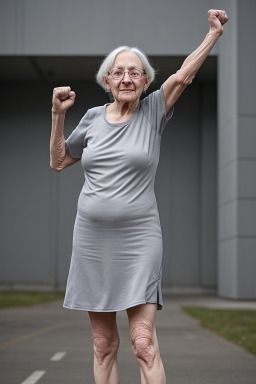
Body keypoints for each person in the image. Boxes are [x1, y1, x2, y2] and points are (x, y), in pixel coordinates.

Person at [50, 9, 228, 384]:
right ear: (106, 80)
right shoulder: (93, 118)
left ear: (146, 80)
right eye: (118, 72)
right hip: (91, 240)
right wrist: (57, 115)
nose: (126, 77)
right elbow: (60, 160)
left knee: (143, 343)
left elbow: (184, 75)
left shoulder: (152, 112)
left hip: (138, 238)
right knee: (102, 343)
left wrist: (213, 34)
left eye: (134, 72)